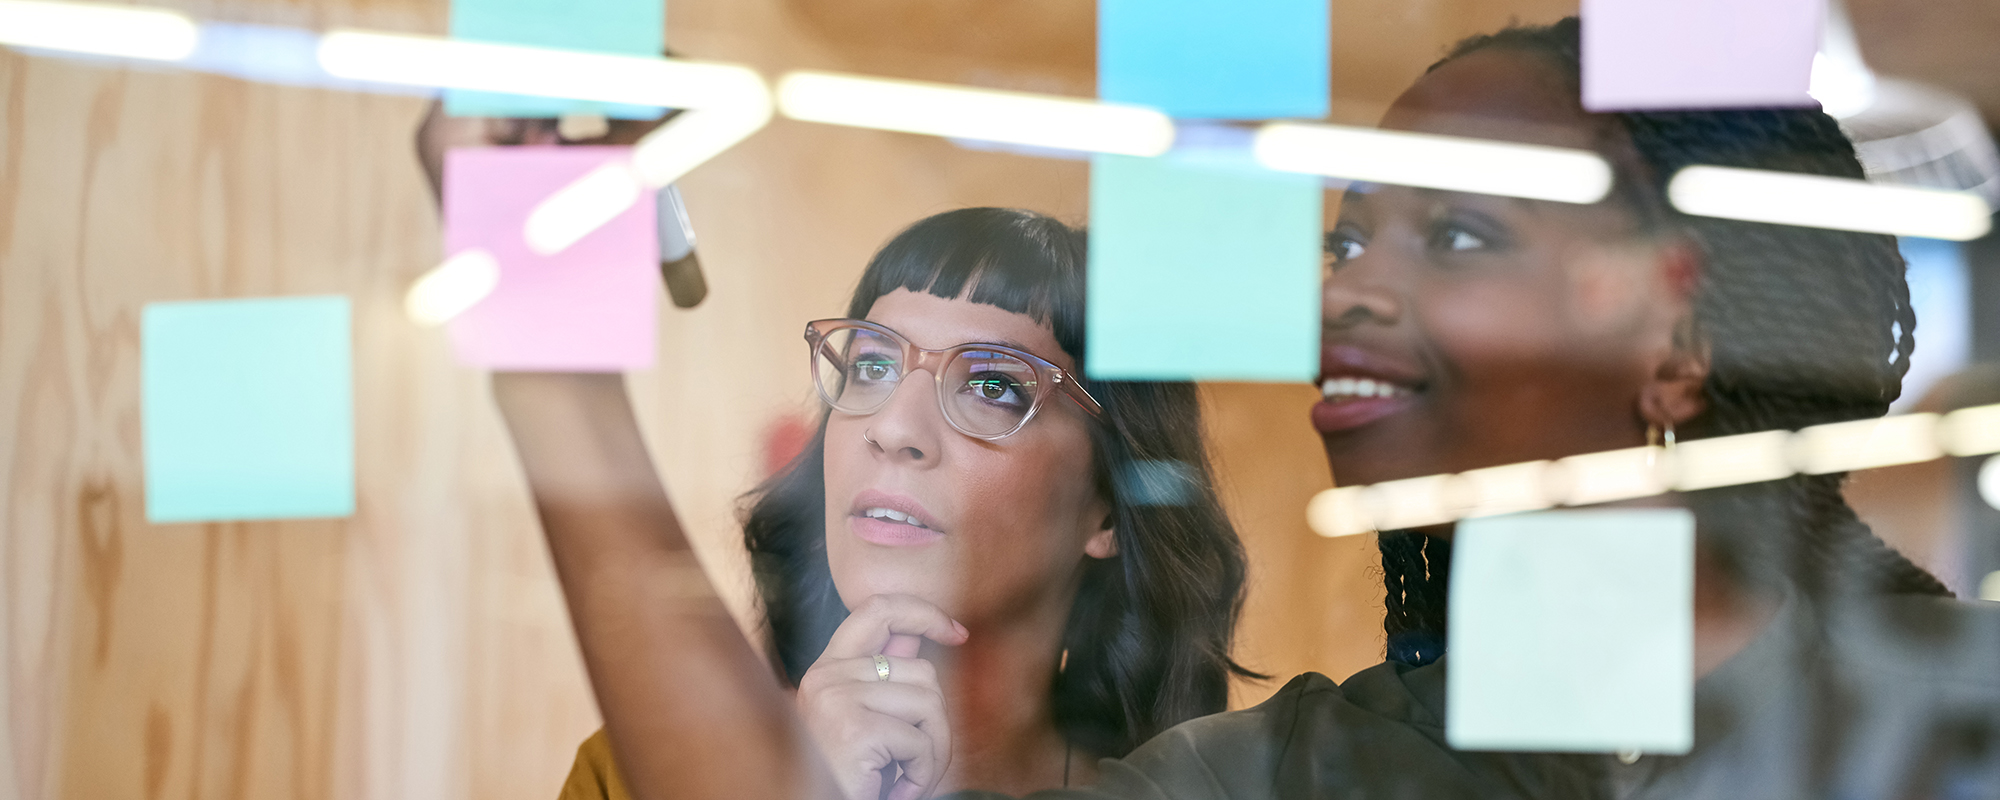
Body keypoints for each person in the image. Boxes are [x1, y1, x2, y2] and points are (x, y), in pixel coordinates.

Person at [505, 16, 2000, 800]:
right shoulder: (1313, 774)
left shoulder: (1945, 709)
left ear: (1672, 338)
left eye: (1458, 235)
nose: (1350, 288)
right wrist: (537, 315)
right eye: (1346, 237)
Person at [511, 208, 1258, 800]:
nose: (894, 428)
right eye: (871, 364)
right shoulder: (641, 774)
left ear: (1106, 509)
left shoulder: (1186, 791)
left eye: (993, 385)